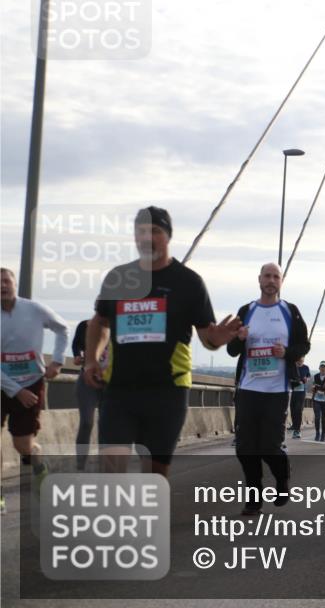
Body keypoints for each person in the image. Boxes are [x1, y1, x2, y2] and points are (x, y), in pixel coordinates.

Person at [84, 207, 241, 477]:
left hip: (167, 392)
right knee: (110, 467)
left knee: (154, 474)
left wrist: (218, 338)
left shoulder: (189, 283)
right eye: (141, 232)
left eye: (154, 231)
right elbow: (100, 322)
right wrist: (90, 360)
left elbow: (207, 338)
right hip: (120, 390)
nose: (147, 238)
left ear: (167, 236)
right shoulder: (119, 277)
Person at [227, 263, 310, 515]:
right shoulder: (246, 310)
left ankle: (282, 478)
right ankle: (254, 498)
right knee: (245, 447)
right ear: (259, 279)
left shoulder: (290, 311)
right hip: (249, 388)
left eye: (276, 276)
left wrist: (287, 353)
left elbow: (303, 345)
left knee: (269, 446)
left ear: (281, 281)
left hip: (277, 389)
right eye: (267, 276)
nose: (271, 280)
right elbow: (231, 350)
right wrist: (239, 339)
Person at [1, 267, 68, 511]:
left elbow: (62, 328)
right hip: (3, 385)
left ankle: (40, 468)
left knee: (23, 445)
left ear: (14, 284)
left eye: (6, 281)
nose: (2, 286)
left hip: (30, 382)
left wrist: (58, 360)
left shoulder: (34, 309)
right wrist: (14, 390)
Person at [71, 318, 104, 470]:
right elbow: (76, 344)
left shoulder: (121, 326)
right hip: (87, 380)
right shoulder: (85, 325)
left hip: (111, 383)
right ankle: (80, 465)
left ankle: (106, 465)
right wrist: (77, 355)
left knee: (106, 425)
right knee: (86, 422)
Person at [288, 356, 309, 439]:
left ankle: (298, 430)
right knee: (292, 409)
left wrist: (306, 379)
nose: (300, 362)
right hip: (293, 391)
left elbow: (308, 376)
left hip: (301, 392)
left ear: (303, 360)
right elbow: (288, 378)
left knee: (298, 409)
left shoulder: (305, 368)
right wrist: (293, 381)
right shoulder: (292, 367)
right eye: (298, 360)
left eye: (301, 360)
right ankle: (294, 425)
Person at [312, 361, 325, 442]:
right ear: (319, 368)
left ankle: (323, 434)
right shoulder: (315, 376)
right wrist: (313, 388)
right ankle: (317, 433)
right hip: (316, 399)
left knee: (324, 418)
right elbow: (314, 385)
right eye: (321, 367)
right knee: (317, 417)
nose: (323, 368)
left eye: (324, 367)